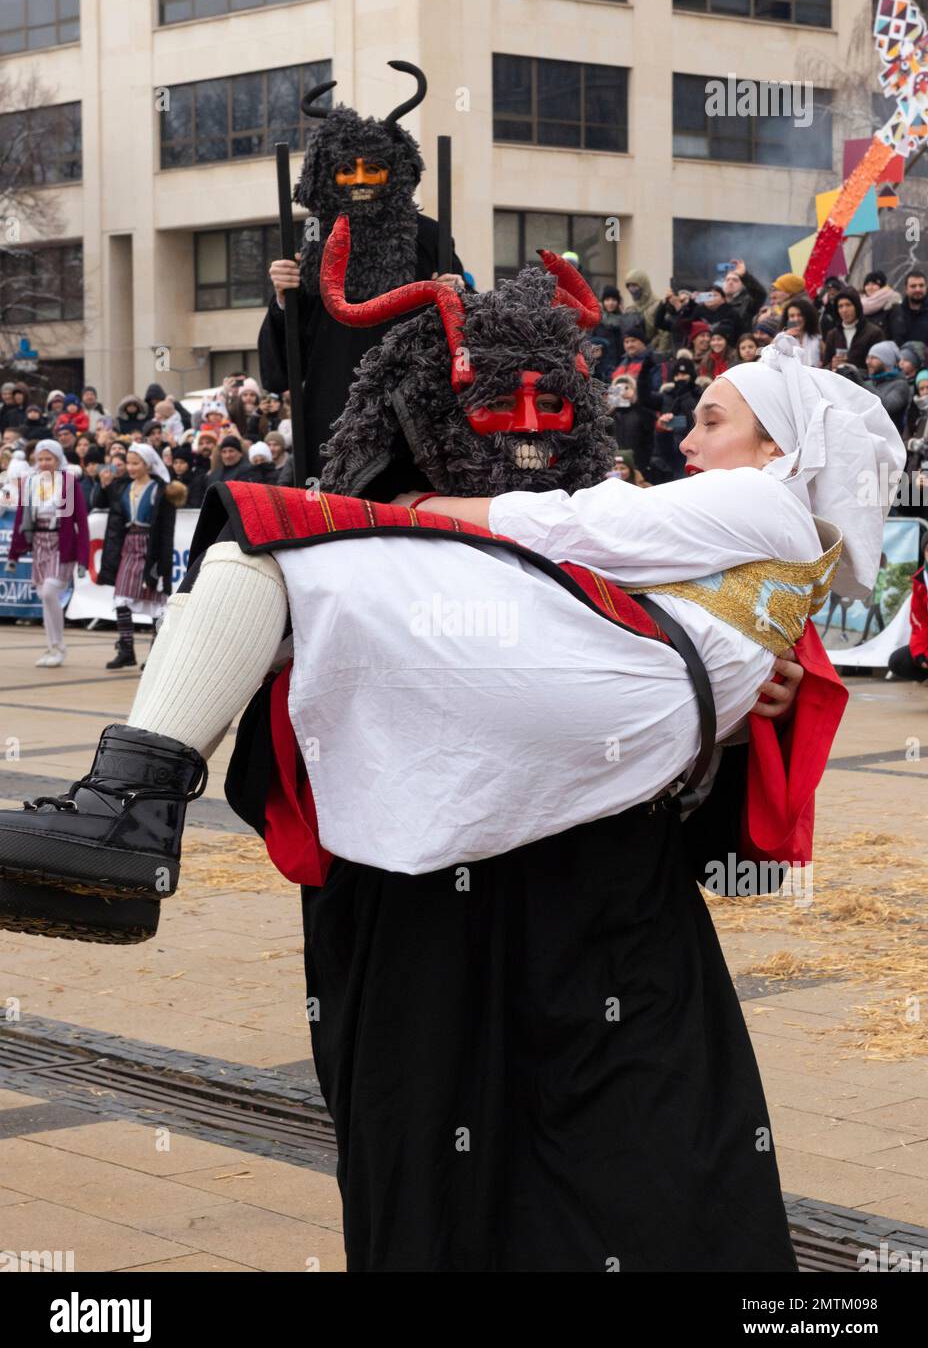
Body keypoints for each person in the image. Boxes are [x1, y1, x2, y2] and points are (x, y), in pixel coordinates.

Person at [0, 280, 903, 1273]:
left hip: (610, 938)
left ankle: (125, 803)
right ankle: (129, 803)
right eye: (488, 406)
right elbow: (286, 754)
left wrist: (735, 730)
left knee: (658, 1194)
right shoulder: (362, 550)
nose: (521, 428)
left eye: (548, 406)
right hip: (418, 937)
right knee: (439, 1203)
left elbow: (719, 756)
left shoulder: (645, 525)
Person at [258, 61, 465, 485]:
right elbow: (286, 361)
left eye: (373, 169)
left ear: (395, 171)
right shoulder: (313, 237)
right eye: (347, 170)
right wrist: (284, 299)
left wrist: (458, 294)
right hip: (333, 406)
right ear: (329, 175)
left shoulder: (428, 236)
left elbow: (467, 331)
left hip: (413, 405)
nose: (360, 179)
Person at [97, 443, 186, 669]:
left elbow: (166, 530)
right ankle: (126, 649)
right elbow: (103, 507)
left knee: (155, 600)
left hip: (151, 547)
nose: (131, 467)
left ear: (147, 464)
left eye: (135, 463)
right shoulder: (123, 487)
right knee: (121, 597)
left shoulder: (160, 490)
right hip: (129, 546)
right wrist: (104, 487)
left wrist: (162, 563)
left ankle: (155, 654)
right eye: (129, 463)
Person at [4, 439, 89, 667]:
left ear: (58, 459)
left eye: (48, 458)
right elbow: (21, 519)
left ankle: (59, 646)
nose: (43, 463)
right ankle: (53, 647)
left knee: (50, 592)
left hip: (61, 544)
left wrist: (83, 557)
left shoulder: (68, 483)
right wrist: (13, 555)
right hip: (39, 543)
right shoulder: (30, 483)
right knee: (44, 595)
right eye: (40, 459)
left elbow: (81, 521)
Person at [820, 287, 884, 371]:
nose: (844, 310)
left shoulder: (874, 333)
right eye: (840, 306)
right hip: (839, 381)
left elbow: (879, 365)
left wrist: (850, 364)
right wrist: (832, 365)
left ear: (857, 307)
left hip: (863, 382)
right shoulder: (832, 335)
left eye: (848, 305)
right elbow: (824, 368)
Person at [606, 372, 655, 479]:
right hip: (613, 466)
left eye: (626, 388)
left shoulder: (642, 413)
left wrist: (644, 464)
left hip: (638, 466)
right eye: (618, 388)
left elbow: (650, 440)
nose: (622, 391)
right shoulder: (608, 416)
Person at [864, 339, 912, 432]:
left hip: (890, 442)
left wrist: (861, 384)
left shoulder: (900, 385)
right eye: (868, 357)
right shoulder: (869, 383)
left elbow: (888, 406)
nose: (868, 362)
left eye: (874, 358)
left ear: (887, 361)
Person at [623, 268, 672, 354]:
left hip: (653, 353)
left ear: (644, 286)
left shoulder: (658, 305)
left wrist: (658, 353)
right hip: (633, 356)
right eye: (629, 286)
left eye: (635, 285)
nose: (632, 289)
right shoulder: (630, 309)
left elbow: (664, 334)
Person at [721, 259, 766, 333]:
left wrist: (744, 275)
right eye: (727, 280)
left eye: (735, 280)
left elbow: (760, 294)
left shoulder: (747, 302)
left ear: (743, 285)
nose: (730, 282)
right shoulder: (716, 302)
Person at [888, 269, 928, 347]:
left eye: (921, 285)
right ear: (906, 289)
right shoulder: (895, 313)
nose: (918, 289)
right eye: (913, 286)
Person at [780, 297, 821, 367]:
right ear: (787, 319)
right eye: (792, 316)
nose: (796, 319)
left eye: (800, 315)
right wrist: (785, 337)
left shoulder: (816, 338)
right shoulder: (781, 337)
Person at [860, 269, 902, 337]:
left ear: (882, 286)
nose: (870, 288)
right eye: (867, 284)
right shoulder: (860, 305)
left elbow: (898, 334)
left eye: (874, 284)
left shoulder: (892, 305)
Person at [170, 444, 208, 510]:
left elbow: (195, 504)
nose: (178, 466)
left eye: (182, 462)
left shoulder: (197, 481)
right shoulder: (171, 480)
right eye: (175, 462)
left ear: (188, 464)